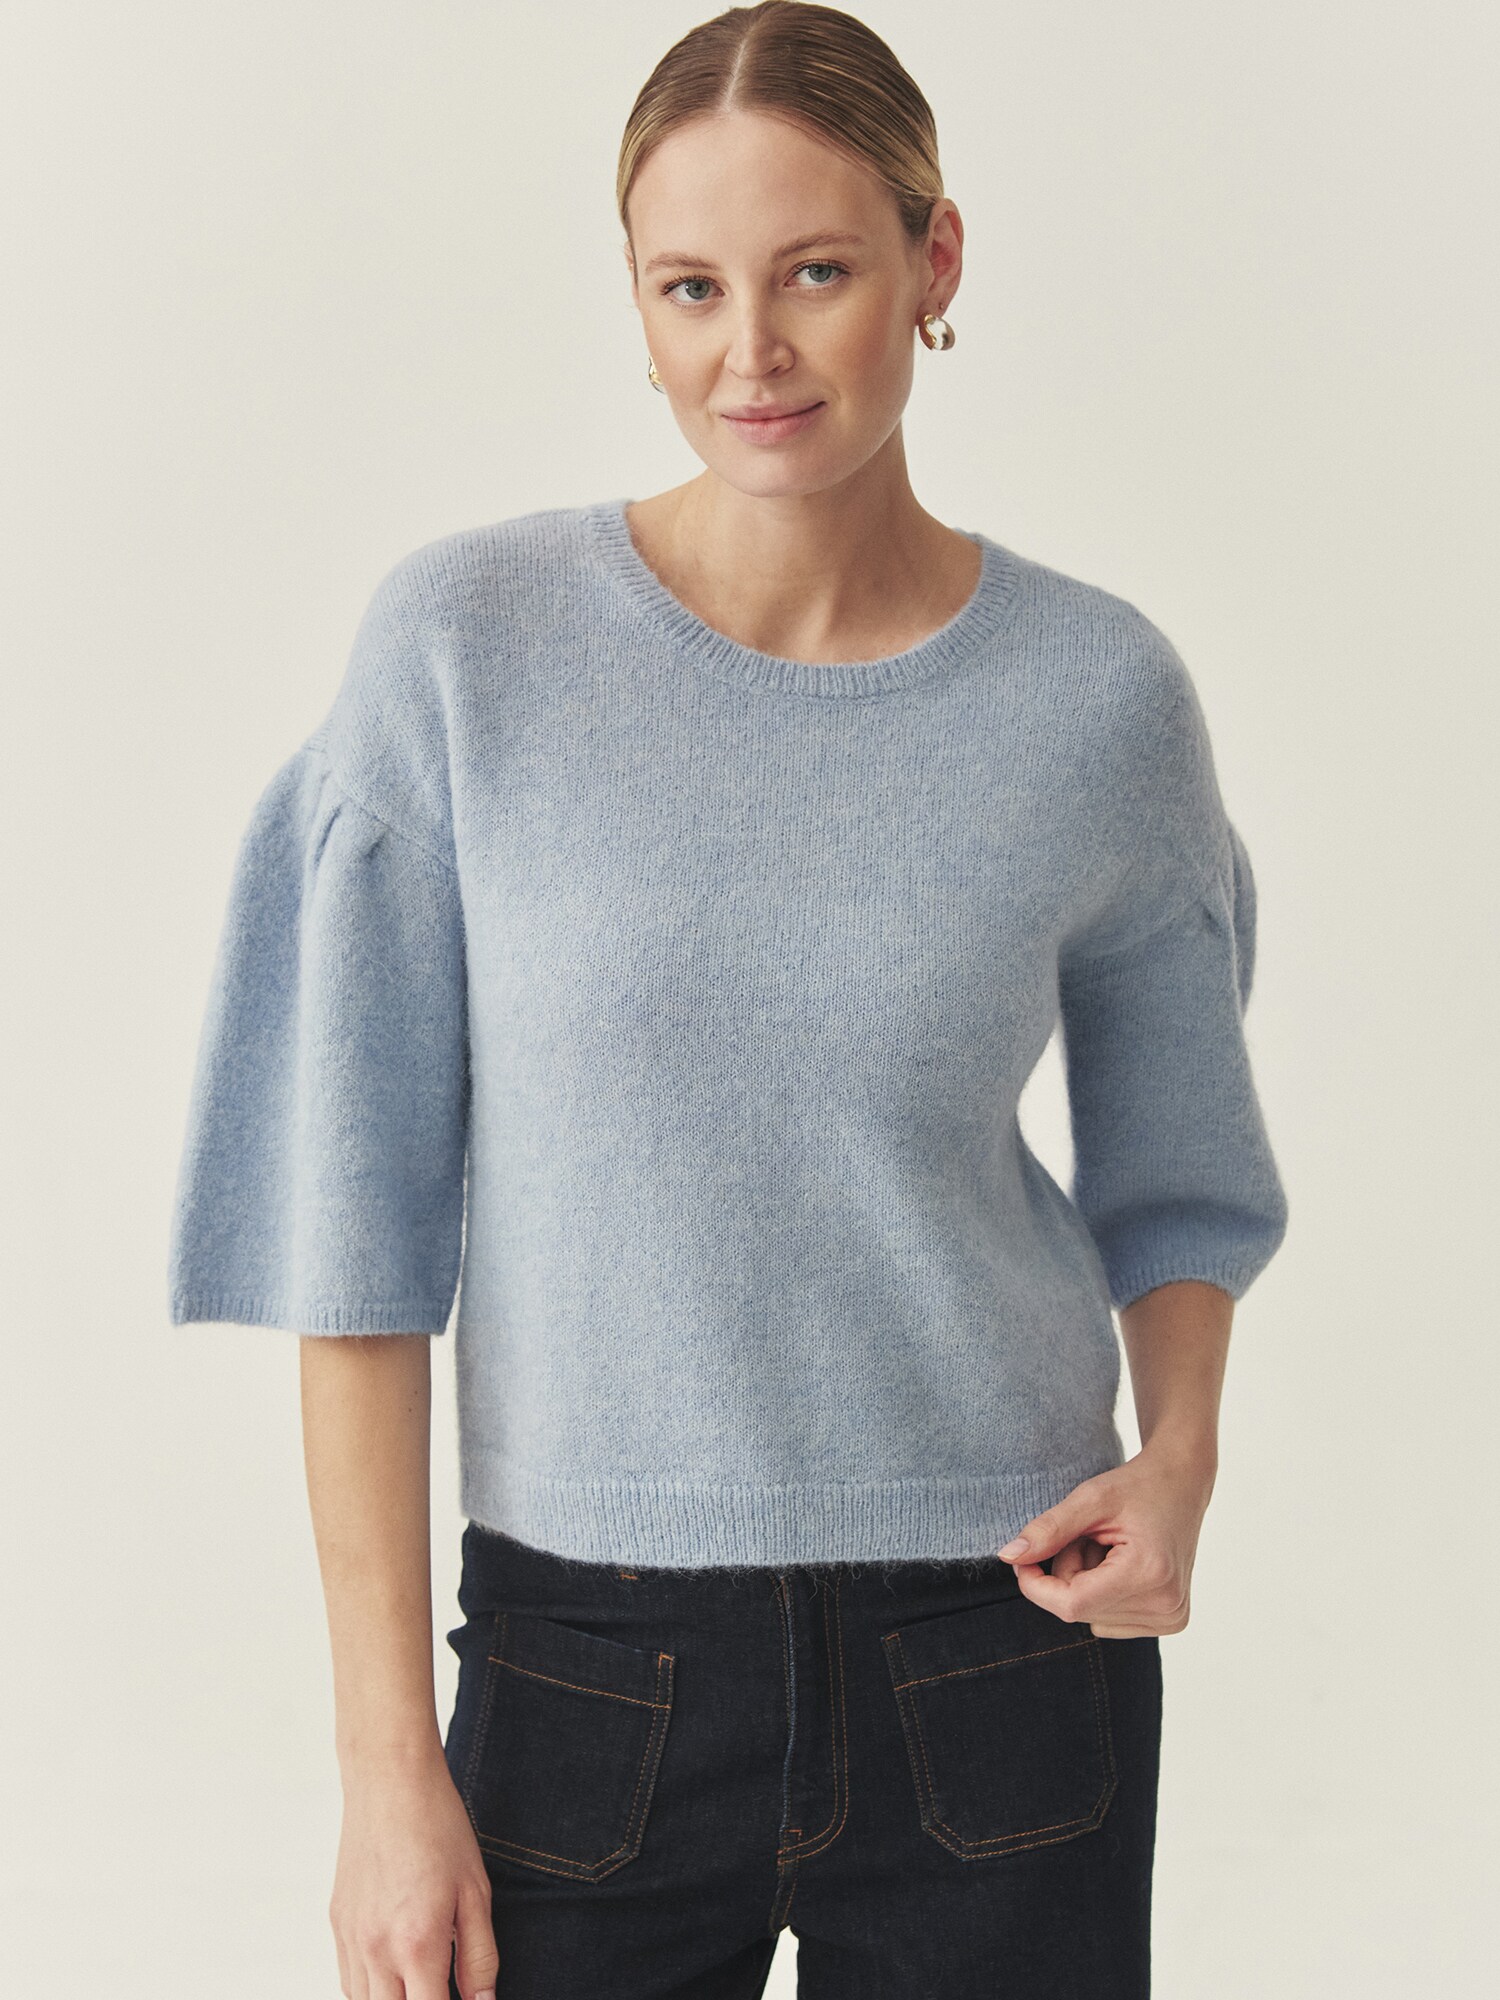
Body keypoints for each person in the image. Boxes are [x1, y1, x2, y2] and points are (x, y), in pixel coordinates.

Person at [166, 3, 1289, 1995]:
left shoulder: (1097, 697)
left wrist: (1181, 1454)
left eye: (817, 273)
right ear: (635, 296)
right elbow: (358, 1247)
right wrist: (384, 1768)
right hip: (582, 1662)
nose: (749, 350)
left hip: (1001, 1632)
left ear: (936, 263)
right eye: (690, 286)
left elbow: (1181, 1168)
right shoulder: (464, 653)